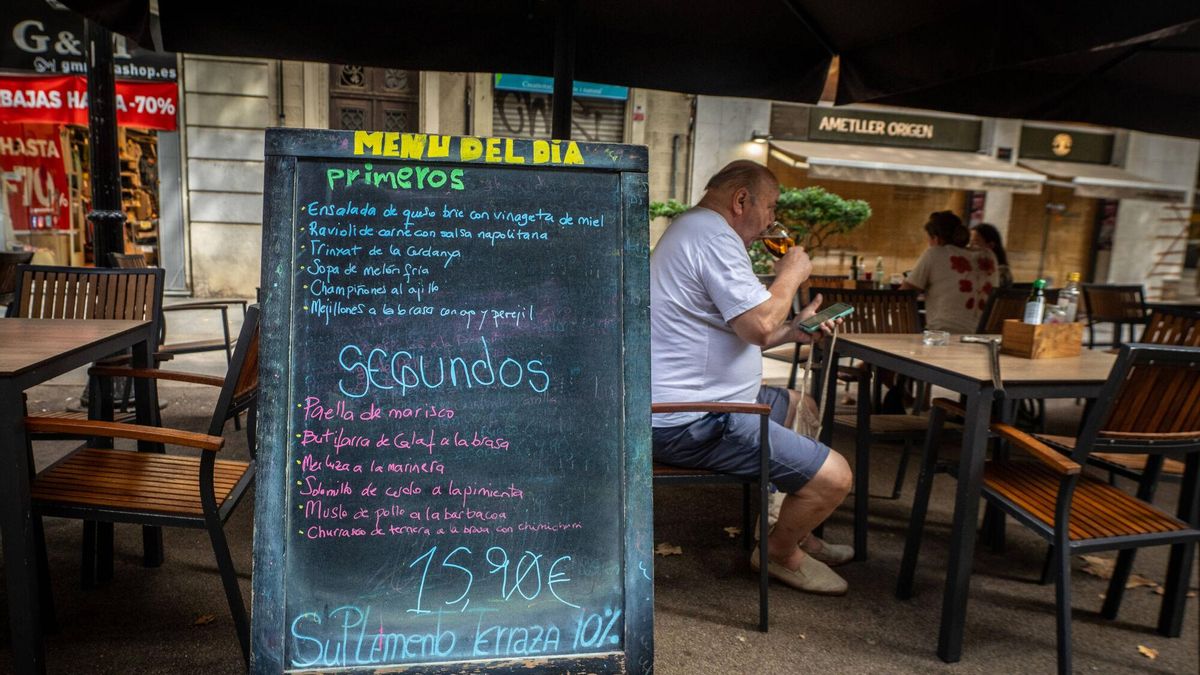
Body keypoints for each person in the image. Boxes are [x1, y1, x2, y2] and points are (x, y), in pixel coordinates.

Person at [651, 160, 854, 595]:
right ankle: (780, 553)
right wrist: (791, 275)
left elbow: (748, 330)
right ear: (742, 199)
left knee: (803, 406)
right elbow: (759, 325)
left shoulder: (701, 230)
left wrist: (794, 330)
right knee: (836, 477)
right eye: (771, 207)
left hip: (710, 401)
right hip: (692, 418)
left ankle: (791, 527)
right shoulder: (711, 235)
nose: (771, 222)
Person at [902, 211, 999, 334]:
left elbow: (904, 296)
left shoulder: (935, 254)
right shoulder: (988, 255)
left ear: (936, 239)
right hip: (983, 337)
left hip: (944, 335)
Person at [970, 222, 1013, 288]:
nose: (970, 246)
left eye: (974, 242)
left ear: (990, 245)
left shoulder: (1001, 272)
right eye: (969, 242)